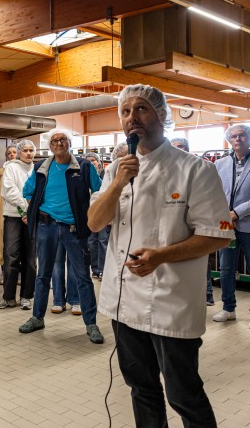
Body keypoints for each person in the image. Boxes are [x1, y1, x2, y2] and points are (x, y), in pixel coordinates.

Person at [87, 84, 232, 426]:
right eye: (125, 111)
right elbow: (94, 223)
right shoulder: (116, 170)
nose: (132, 118)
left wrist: (161, 256)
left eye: (141, 109)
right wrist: (118, 184)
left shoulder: (195, 169)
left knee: (184, 395)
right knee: (141, 389)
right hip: (124, 302)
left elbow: (218, 236)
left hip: (171, 301)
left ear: (161, 115)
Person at [19, 128, 104, 344]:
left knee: (83, 276)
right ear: (50, 146)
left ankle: (91, 323)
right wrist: (34, 210)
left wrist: (91, 214)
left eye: (63, 139)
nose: (58, 143)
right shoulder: (41, 167)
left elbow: (99, 192)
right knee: (43, 275)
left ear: (69, 143)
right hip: (46, 227)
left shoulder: (83, 167)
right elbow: (27, 191)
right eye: (54, 140)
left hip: (74, 230)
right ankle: (37, 318)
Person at [172, 137, 216, 307]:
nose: (178, 149)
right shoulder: (169, 170)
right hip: (176, 225)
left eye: (181, 146)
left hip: (198, 224)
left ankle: (208, 294)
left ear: (187, 148)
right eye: (175, 147)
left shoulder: (201, 167)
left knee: (202, 260)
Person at [213, 124, 250, 322]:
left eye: (241, 135)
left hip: (247, 222)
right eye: (233, 136)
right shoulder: (220, 164)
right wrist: (225, 215)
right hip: (225, 223)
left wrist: (236, 213)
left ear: (248, 138)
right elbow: (214, 192)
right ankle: (228, 309)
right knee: (226, 269)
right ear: (229, 140)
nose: (237, 139)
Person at [0, 139, 36, 310]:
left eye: (31, 150)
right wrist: (26, 208)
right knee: (11, 256)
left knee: (30, 259)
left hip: (32, 219)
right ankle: (8, 297)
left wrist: (31, 212)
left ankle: (26, 296)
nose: (28, 153)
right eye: (25, 150)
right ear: (19, 152)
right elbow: (9, 191)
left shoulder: (38, 169)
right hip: (13, 217)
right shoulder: (11, 167)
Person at [0, 145, 17, 285]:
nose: (12, 155)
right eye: (9, 153)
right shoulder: (1, 171)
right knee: (2, 242)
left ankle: (19, 273)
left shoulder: (24, 170)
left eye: (14, 152)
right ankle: (4, 272)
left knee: (17, 244)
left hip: (18, 210)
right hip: (2, 211)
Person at [85, 151, 109, 280]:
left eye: (93, 161)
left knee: (103, 241)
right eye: (88, 161)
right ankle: (95, 269)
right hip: (89, 215)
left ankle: (103, 269)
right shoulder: (83, 175)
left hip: (103, 214)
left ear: (99, 163)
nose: (91, 164)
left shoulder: (105, 175)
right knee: (91, 242)